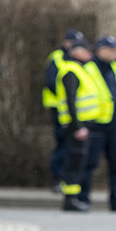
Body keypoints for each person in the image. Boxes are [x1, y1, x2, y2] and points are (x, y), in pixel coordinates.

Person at [81, 35, 116, 212]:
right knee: (89, 164)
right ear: (100, 50)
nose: (115, 52)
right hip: (95, 124)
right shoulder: (88, 69)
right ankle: (82, 198)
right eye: (111, 49)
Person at [55, 38, 99, 212]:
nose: (90, 53)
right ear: (75, 52)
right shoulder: (71, 71)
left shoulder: (80, 70)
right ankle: (70, 200)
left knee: (78, 162)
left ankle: (73, 199)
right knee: (73, 163)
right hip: (75, 127)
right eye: (86, 50)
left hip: (81, 126)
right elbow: (70, 102)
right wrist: (78, 126)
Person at [44, 29, 84, 192]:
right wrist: (63, 97)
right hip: (57, 107)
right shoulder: (56, 57)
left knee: (68, 147)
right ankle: (58, 179)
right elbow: (52, 82)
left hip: (66, 109)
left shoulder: (73, 60)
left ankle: (64, 180)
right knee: (62, 143)